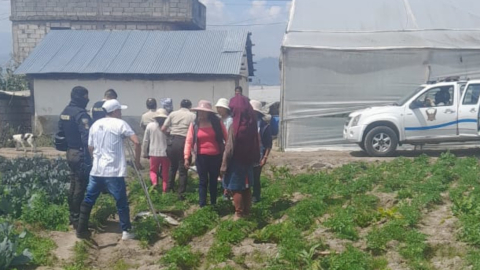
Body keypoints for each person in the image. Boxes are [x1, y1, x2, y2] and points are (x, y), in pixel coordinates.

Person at [76, 99, 141, 240]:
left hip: (97, 170)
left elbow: (90, 147)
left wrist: (95, 160)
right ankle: (126, 230)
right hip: (114, 171)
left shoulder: (95, 125)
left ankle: (81, 229)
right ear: (115, 111)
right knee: (121, 201)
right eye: (120, 110)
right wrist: (136, 161)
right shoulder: (120, 124)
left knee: (89, 199)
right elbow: (136, 141)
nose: (121, 113)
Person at [58, 86, 93, 229]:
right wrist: (91, 155)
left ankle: (72, 216)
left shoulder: (65, 112)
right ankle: (78, 219)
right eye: (86, 97)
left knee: (73, 185)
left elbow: (60, 133)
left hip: (70, 152)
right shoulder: (81, 114)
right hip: (80, 153)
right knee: (80, 186)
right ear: (80, 97)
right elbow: (87, 138)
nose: (87, 99)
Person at [221, 89, 260, 220]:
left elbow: (230, 147)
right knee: (247, 186)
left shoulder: (235, 125)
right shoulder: (251, 124)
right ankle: (248, 212)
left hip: (236, 160)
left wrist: (224, 165)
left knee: (236, 187)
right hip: (248, 159)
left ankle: (239, 213)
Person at [184, 100, 227, 207]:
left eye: (204, 112)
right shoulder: (194, 125)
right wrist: (186, 157)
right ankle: (202, 205)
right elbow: (188, 141)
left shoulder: (217, 123)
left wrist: (227, 154)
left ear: (209, 113)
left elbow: (226, 137)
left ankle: (213, 203)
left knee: (213, 181)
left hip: (216, 156)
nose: (201, 114)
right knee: (203, 181)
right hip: (201, 157)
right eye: (199, 112)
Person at [161, 99, 196, 200]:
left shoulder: (173, 114)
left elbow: (163, 128)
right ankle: (181, 194)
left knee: (172, 167)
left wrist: (170, 135)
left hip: (172, 141)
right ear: (190, 106)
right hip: (184, 142)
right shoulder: (192, 116)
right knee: (183, 169)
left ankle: (168, 189)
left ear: (180, 105)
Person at [250, 100, 273, 203]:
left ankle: (255, 196)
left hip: (259, 154)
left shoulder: (264, 126)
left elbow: (268, 144)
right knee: (247, 176)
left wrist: (265, 157)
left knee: (256, 177)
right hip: (247, 154)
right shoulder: (246, 123)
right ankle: (246, 197)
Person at [142, 109, 170, 192]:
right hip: (166, 153)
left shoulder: (150, 126)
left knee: (153, 170)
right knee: (165, 172)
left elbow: (146, 140)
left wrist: (144, 152)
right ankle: (165, 190)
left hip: (153, 153)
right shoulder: (168, 127)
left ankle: (154, 183)